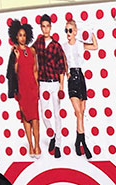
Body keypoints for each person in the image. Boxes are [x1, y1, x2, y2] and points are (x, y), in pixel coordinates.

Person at [60, 18, 97, 159]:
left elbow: (95, 46)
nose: (68, 33)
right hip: (72, 78)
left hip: (81, 77)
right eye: (66, 30)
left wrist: (90, 31)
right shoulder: (63, 46)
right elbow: (63, 64)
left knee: (82, 111)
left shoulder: (81, 44)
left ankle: (77, 141)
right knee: (78, 113)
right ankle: (84, 143)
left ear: (75, 31)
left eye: (70, 30)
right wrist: (64, 80)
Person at [34, 14, 67, 159]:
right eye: (43, 26)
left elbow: (61, 67)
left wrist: (61, 87)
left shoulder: (56, 46)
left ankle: (58, 144)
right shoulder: (38, 42)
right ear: (41, 28)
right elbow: (29, 52)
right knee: (44, 113)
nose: (45, 29)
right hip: (43, 83)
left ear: (51, 27)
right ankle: (52, 133)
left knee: (57, 113)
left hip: (54, 83)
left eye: (47, 26)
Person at [7, 20, 41, 158]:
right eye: (20, 35)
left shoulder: (32, 50)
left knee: (35, 118)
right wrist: (17, 57)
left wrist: (37, 86)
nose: (22, 37)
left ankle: (37, 145)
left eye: (24, 35)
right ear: (16, 36)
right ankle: (31, 146)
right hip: (21, 88)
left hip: (32, 87)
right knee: (26, 117)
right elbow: (12, 73)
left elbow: (35, 69)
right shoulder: (14, 52)